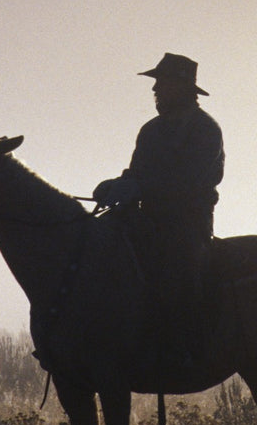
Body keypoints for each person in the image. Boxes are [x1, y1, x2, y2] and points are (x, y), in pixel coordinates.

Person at [94, 52, 225, 371]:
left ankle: (186, 348)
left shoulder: (206, 130)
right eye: (156, 84)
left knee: (180, 270)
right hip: (147, 217)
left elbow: (193, 181)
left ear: (183, 88)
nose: (155, 90)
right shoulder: (150, 130)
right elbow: (138, 171)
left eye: (162, 84)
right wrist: (117, 184)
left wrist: (140, 188)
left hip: (187, 222)